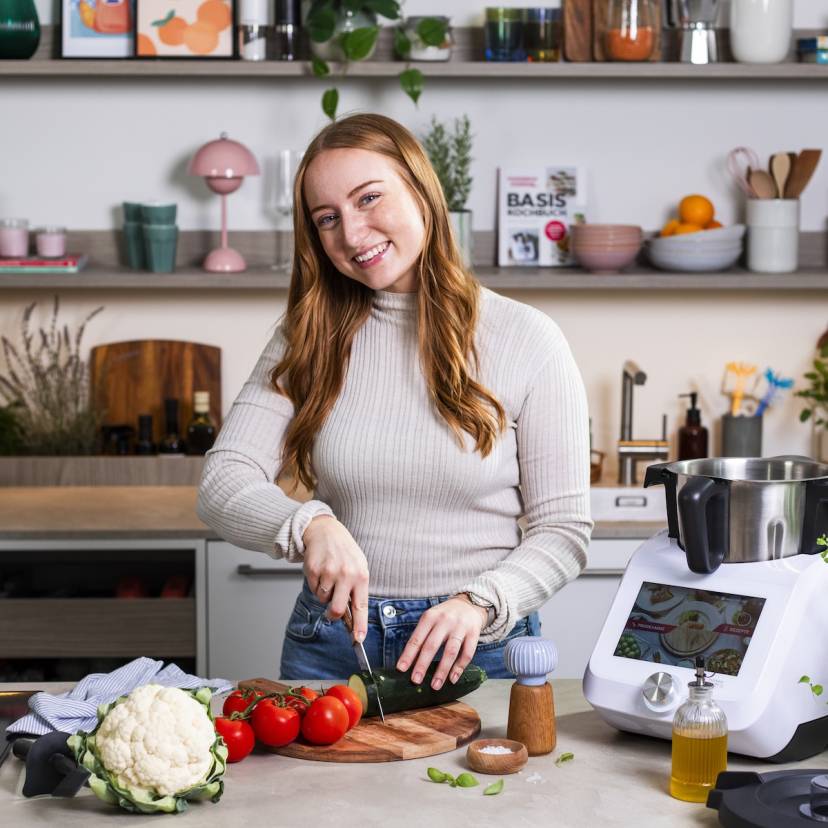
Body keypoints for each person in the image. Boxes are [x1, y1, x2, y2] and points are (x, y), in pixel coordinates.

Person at [198, 113, 592, 691]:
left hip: (476, 647)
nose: (352, 236)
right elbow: (222, 481)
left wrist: (483, 601)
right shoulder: (308, 336)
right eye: (327, 219)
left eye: (369, 199)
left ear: (422, 192)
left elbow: (563, 531)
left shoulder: (525, 338)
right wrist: (309, 523)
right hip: (333, 644)